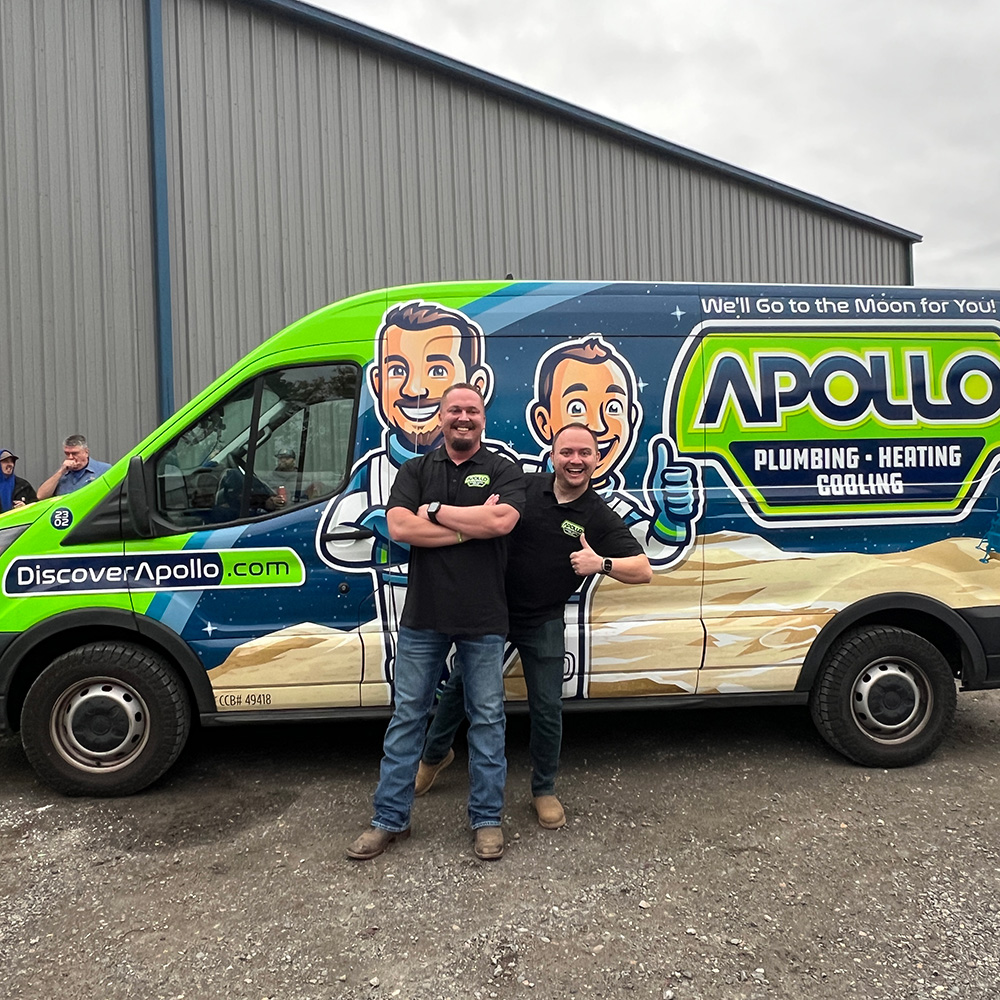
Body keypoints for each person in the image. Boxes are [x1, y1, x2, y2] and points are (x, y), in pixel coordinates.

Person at [414, 423, 652, 830]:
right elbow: (487, 515)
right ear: (553, 455)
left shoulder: (597, 515)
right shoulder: (524, 486)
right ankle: (434, 757)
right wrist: (482, 510)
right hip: (492, 611)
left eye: (584, 453)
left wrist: (601, 564)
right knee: (457, 689)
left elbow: (643, 570)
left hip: (542, 619)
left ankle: (543, 789)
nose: (575, 460)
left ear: (598, 459)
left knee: (547, 707)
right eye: (567, 452)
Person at [347, 383, 526, 862]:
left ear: (483, 418)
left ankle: (487, 820)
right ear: (440, 418)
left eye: (471, 410)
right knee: (408, 717)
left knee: (487, 720)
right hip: (424, 616)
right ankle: (390, 820)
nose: (463, 417)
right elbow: (401, 528)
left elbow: (503, 524)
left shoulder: (504, 469)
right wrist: (470, 528)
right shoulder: (415, 469)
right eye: (454, 410)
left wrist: (436, 513)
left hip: (485, 616)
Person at [35, 434, 112, 499]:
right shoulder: (62, 474)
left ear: (86, 452)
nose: (70, 457)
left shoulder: (104, 470)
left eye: (75, 453)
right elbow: (41, 496)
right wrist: (61, 471)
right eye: (67, 453)